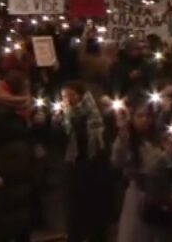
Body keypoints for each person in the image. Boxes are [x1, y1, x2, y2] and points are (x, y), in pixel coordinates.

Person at [0, 68, 39, 242]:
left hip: (24, 170)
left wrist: (38, 124)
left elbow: (30, 135)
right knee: (5, 223)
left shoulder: (24, 106)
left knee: (23, 221)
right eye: (25, 85)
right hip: (6, 171)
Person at [112, 101, 172, 242]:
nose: (144, 119)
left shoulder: (160, 138)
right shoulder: (128, 140)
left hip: (160, 196)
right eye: (140, 116)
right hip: (138, 196)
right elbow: (118, 161)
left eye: (148, 116)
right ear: (132, 118)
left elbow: (168, 167)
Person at [61, 80, 116, 242]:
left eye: (72, 95)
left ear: (81, 95)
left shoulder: (95, 114)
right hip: (74, 172)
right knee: (75, 219)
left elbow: (104, 142)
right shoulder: (65, 117)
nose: (68, 100)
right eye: (65, 96)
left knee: (96, 219)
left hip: (95, 172)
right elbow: (60, 142)